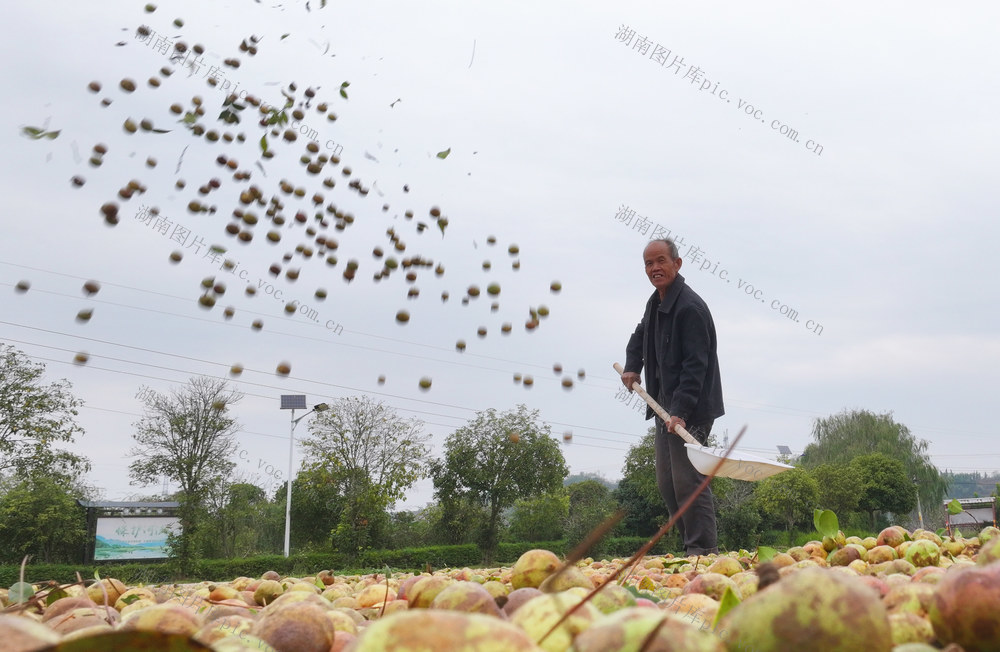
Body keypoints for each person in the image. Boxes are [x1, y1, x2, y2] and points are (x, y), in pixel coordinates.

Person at [622, 238, 724, 556]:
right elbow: (640, 334)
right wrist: (631, 367)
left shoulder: (690, 308)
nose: (655, 268)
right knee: (667, 484)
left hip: (690, 408)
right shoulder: (656, 302)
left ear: (677, 264)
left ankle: (703, 552)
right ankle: (690, 546)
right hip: (663, 406)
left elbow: (696, 366)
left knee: (688, 481)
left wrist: (680, 410)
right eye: (649, 264)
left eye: (661, 261)